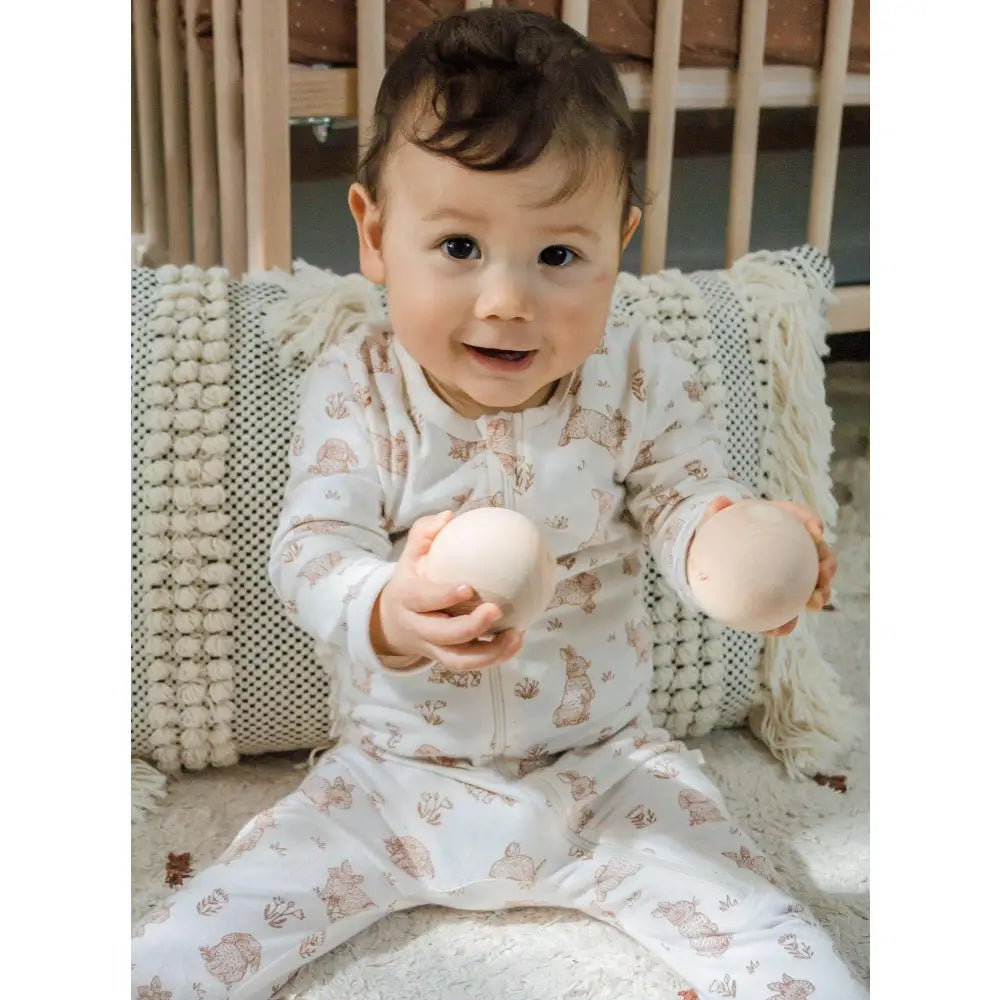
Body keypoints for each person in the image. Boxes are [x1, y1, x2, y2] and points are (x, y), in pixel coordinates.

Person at [132, 9, 865, 999]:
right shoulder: (359, 385)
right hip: (392, 778)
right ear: (376, 235)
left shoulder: (642, 378)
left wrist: (748, 552)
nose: (506, 298)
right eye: (459, 246)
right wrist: (387, 606)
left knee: (782, 947)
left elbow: (688, 501)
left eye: (557, 256)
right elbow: (310, 546)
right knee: (183, 945)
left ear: (620, 243)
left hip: (603, 769)